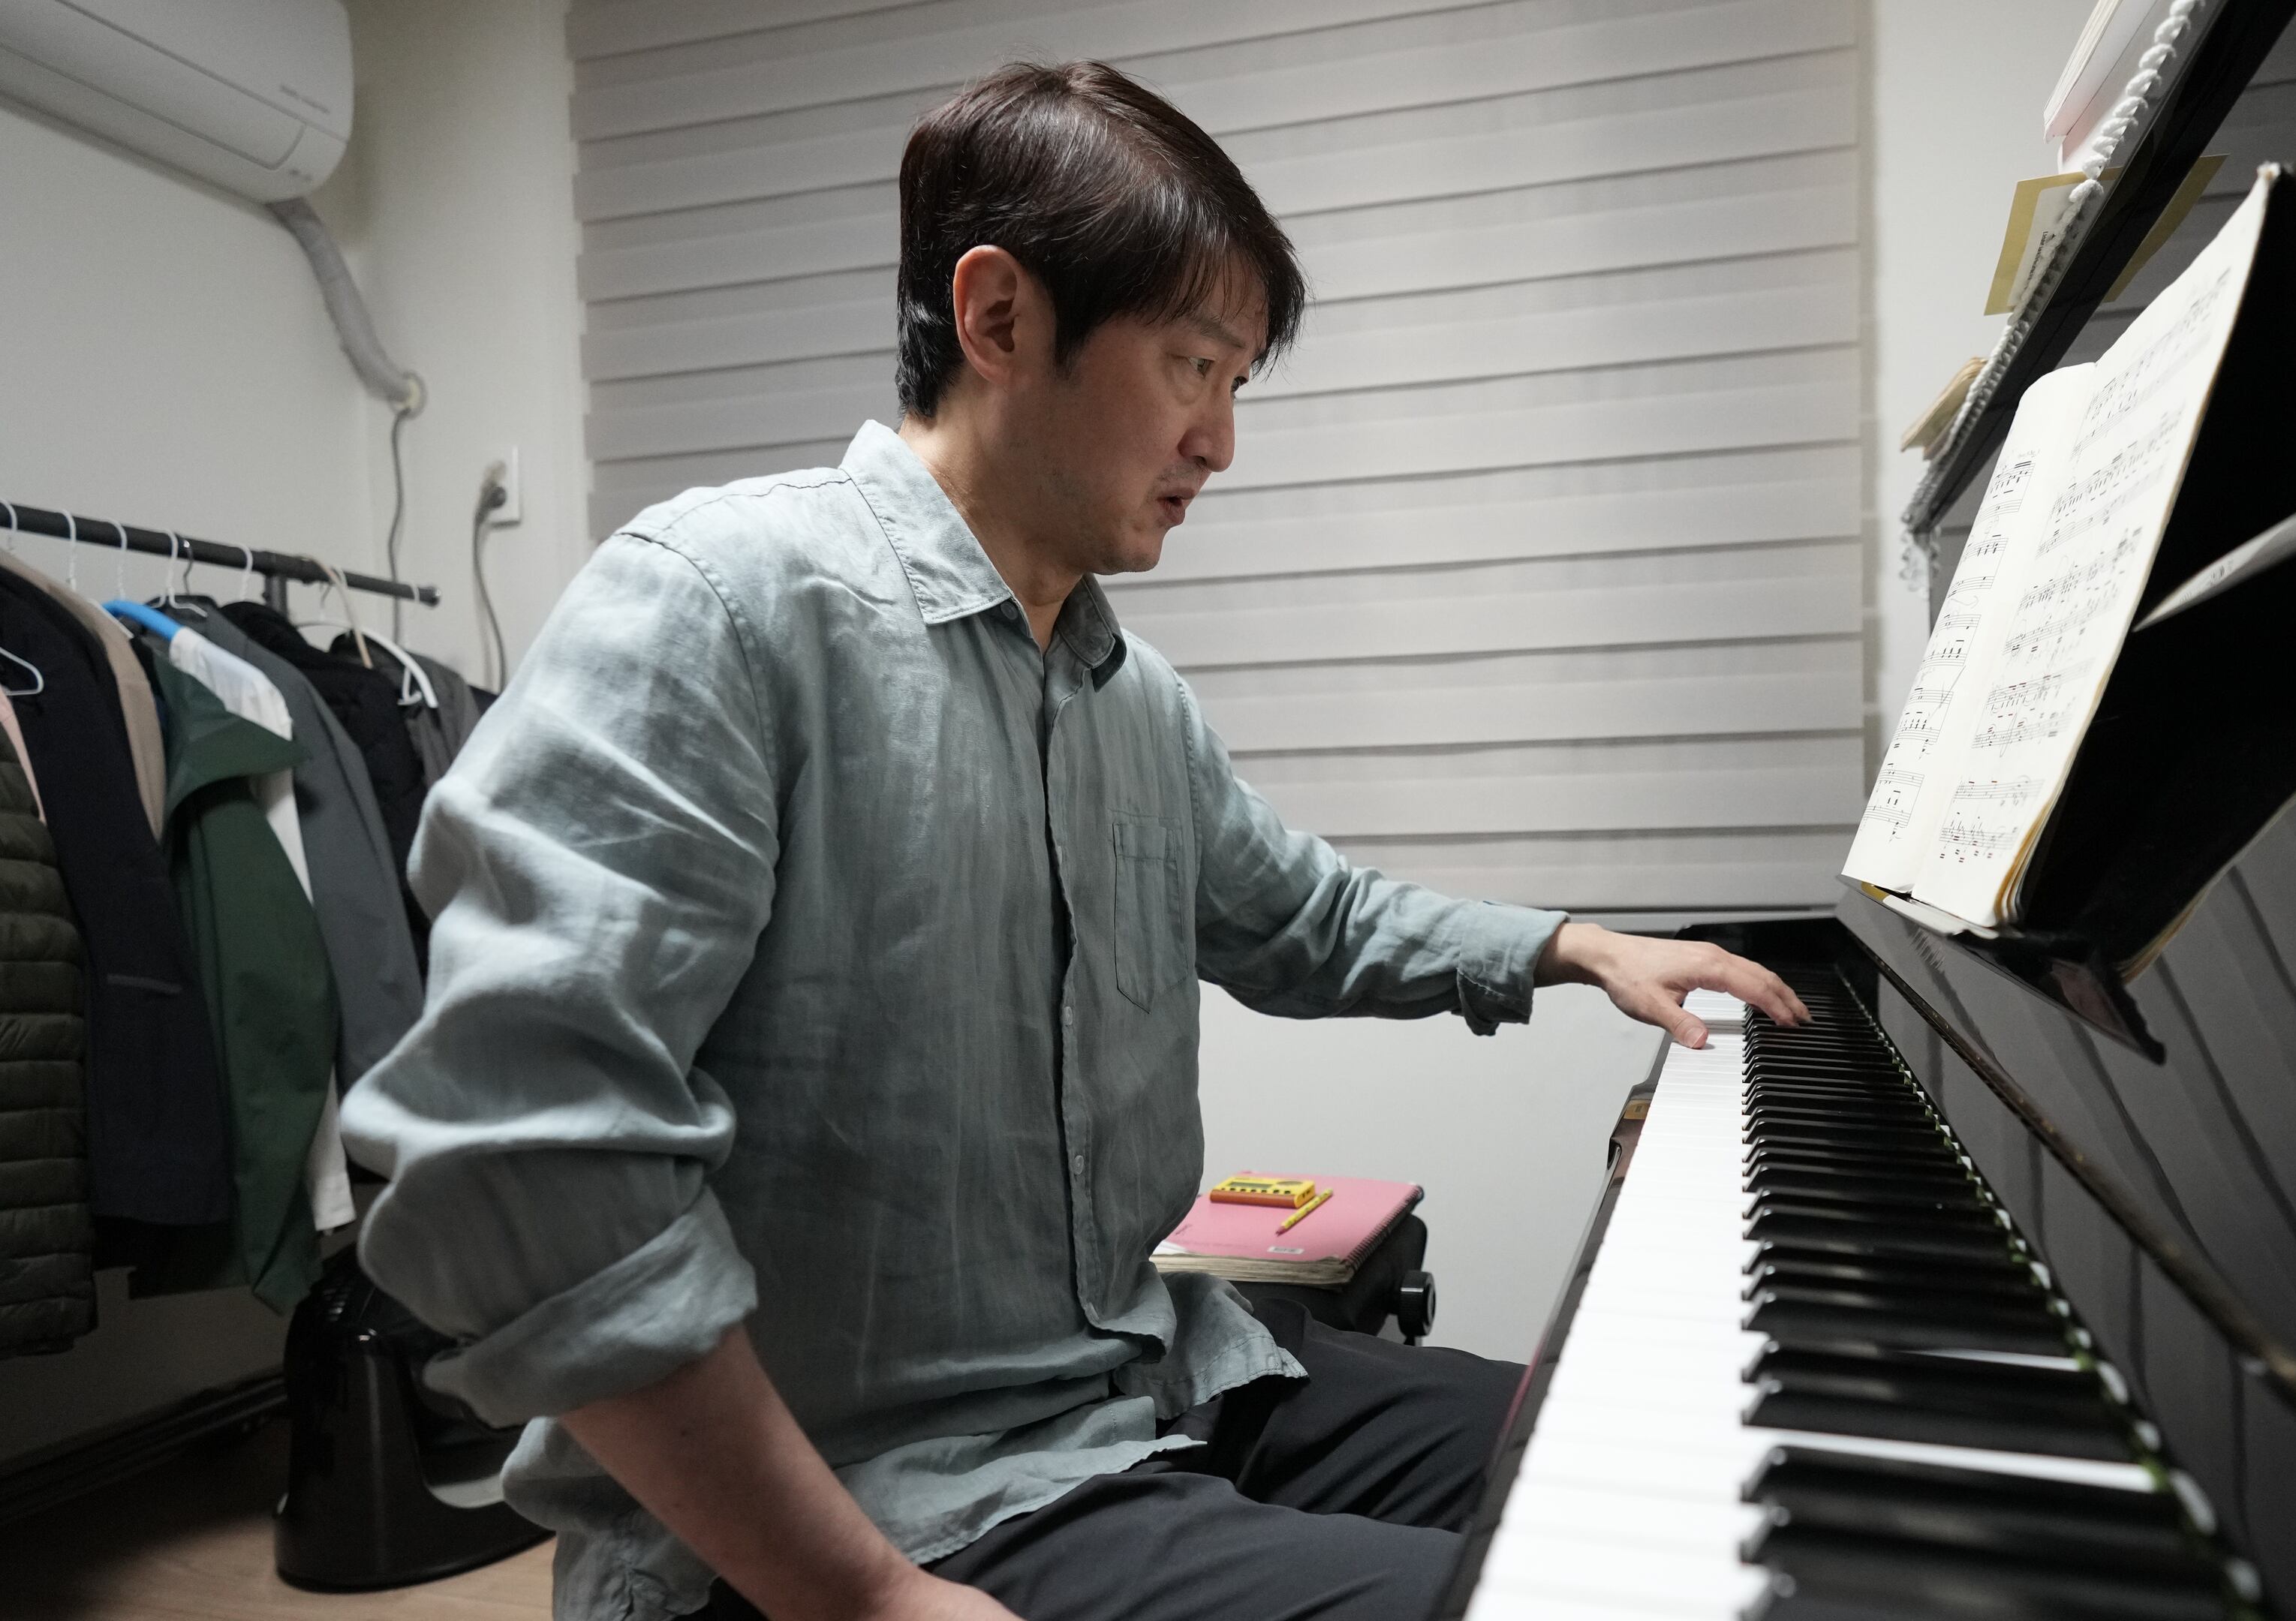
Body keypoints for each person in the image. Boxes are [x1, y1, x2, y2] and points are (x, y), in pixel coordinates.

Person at [342, 60, 1806, 1621]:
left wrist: (1571, 946)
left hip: (1157, 1379)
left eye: (1238, 384)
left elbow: (1305, 916)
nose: (1222, 442)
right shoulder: (717, 607)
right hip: (877, 1508)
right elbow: (515, 1161)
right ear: (998, 319)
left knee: (1703, 1472)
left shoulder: (1130, 696)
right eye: (1192, 368)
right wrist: (858, 1595)